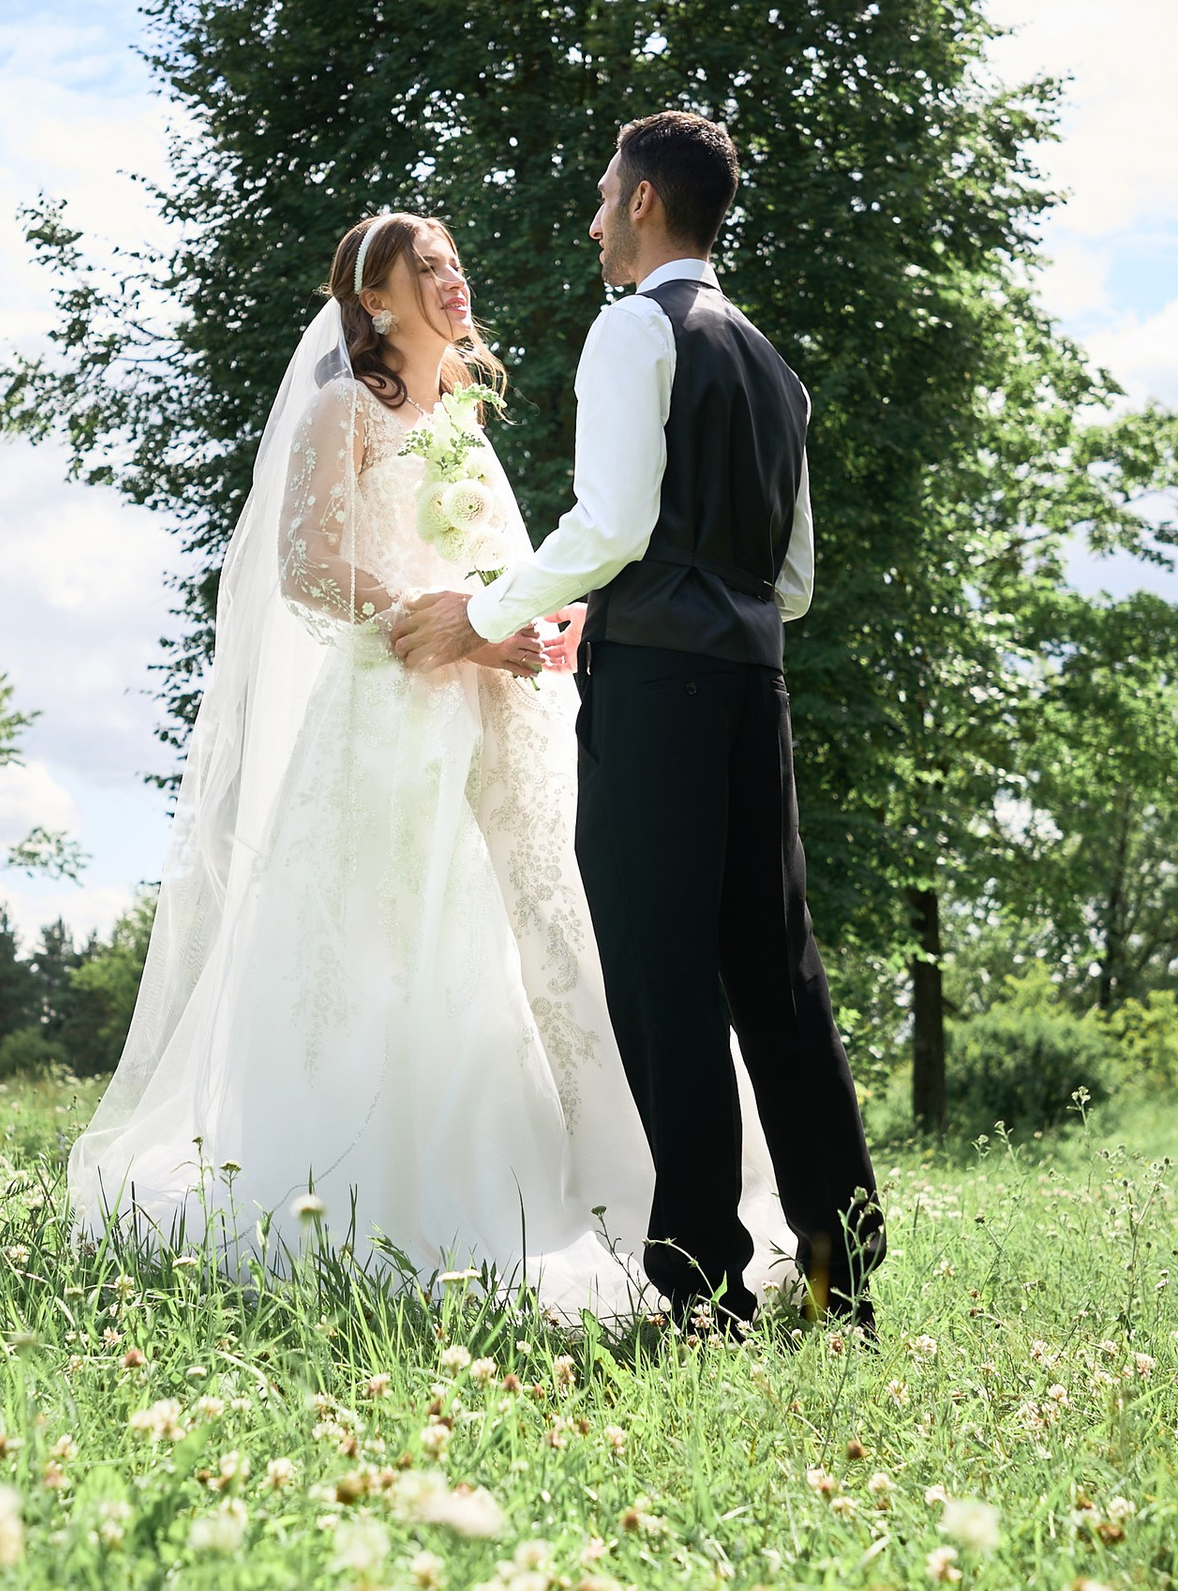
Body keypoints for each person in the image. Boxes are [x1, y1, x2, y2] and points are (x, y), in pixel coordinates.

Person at [66, 208, 784, 1314]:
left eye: (455, 260)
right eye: (428, 267)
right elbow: (308, 567)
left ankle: (609, 1194)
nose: (455, 279)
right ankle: (396, 1196)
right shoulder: (344, 407)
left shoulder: (464, 413)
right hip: (390, 718)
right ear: (374, 300)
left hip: (510, 709)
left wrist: (552, 618)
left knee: (551, 936)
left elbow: (498, 564)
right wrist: (443, 622)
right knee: (402, 944)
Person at [394, 110, 882, 1330]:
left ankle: (704, 1284)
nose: (596, 219)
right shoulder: (775, 365)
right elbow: (797, 581)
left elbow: (610, 525)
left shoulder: (633, 330)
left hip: (659, 694)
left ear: (650, 205)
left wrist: (481, 612)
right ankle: (841, 1278)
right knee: (779, 983)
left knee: (665, 989)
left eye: (608, 197)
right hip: (752, 694)